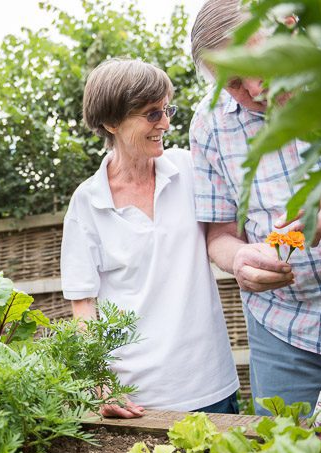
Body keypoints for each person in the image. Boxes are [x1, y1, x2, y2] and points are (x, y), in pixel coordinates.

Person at [190, 0, 321, 421]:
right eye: (233, 83)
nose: (255, 90)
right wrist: (240, 260)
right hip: (286, 326)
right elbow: (220, 236)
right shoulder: (210, 125)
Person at [60, 58, 239, 418]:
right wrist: (99, 379)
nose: (166, 123)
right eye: (151, 114)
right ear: (111, 122)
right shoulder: (88, 202)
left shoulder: (190, 169)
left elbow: (230, 232)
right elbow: (83, 307)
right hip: (137, 400)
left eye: (166, 109)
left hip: (210, 384)